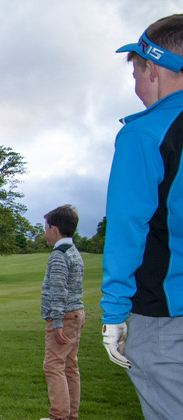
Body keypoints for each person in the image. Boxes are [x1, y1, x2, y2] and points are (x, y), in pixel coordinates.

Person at [101, 14, 183, 420]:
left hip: (164, 313)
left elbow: (126, 229)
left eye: (135, 72)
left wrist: (114, 314)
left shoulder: (144, 133)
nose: (135, 84)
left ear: (152, 67)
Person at [40, 205, 84, 420]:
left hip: (64, 316)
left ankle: (59, 416)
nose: (45, 232)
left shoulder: (59, 254)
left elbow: (59, 290)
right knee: (69, 366)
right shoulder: (74, 251)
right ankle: (70, 415)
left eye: (46, 227)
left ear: (54, 229)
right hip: (77, 313)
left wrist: (57, 322)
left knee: (53, 366)